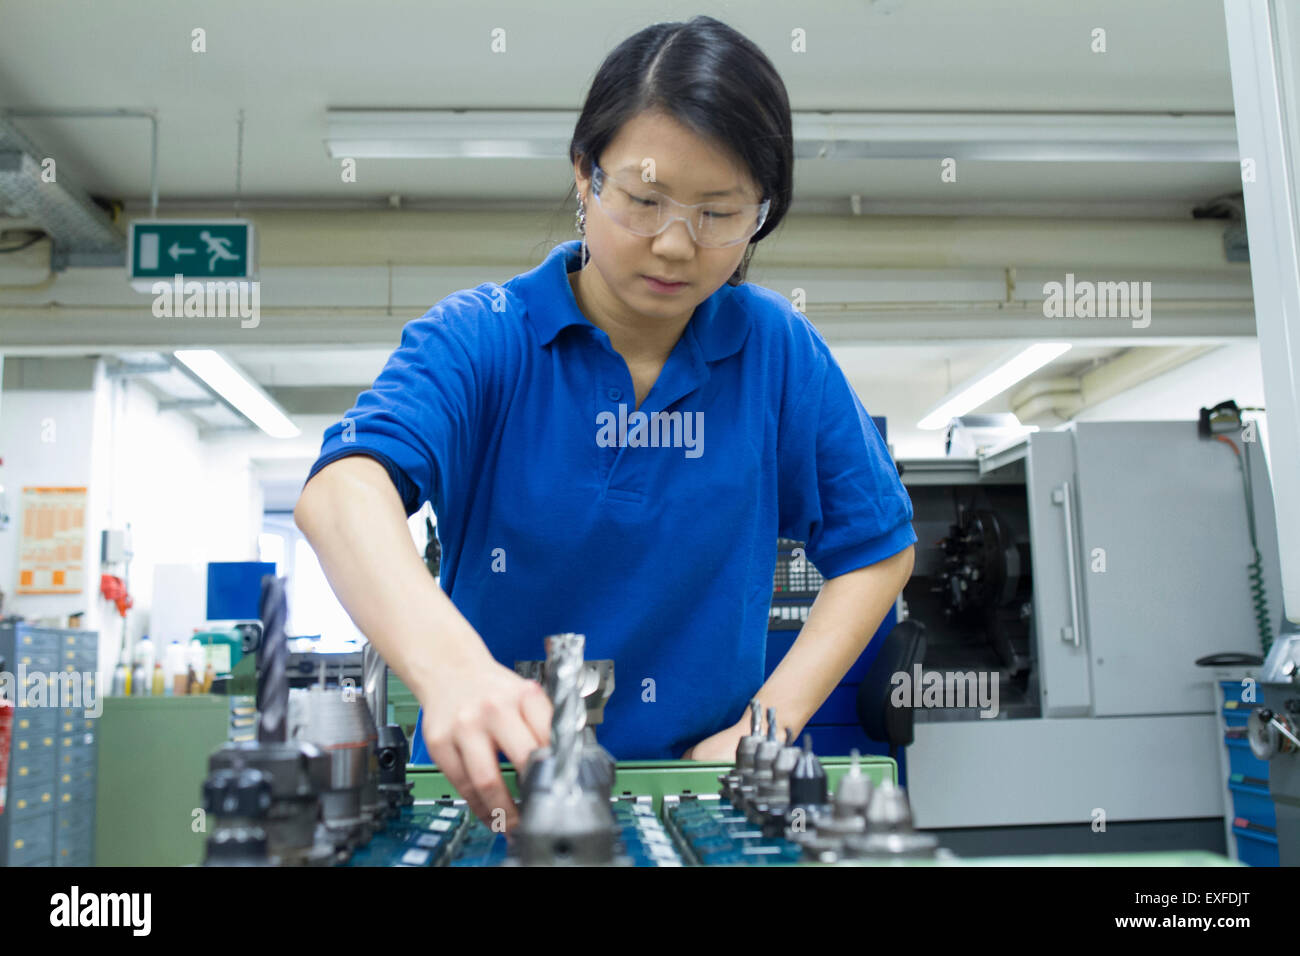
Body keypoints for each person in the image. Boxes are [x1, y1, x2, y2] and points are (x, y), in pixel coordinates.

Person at [294, 15, 916, 832]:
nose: (674, 245)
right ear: (586, 176)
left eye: (721, 213)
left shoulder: (777, 353)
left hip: (696, 797)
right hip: (497, 796)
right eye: (645, 199)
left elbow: (878, 548)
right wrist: (448, 669)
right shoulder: (486, 334)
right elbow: (342, 492)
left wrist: (761, 731)